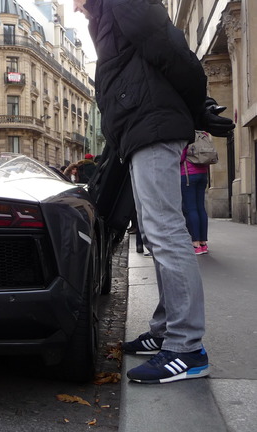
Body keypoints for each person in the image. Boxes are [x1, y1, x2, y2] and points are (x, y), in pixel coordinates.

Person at [73, 0, 235, 384]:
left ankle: (186, 348)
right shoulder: (107, 13)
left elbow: (175, 55)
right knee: (156, 230)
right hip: (140, 128)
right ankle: (166, 331)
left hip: (153, 126)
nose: (72, 7)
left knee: (165, 232)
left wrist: (199, 108)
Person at [181, 138, 210, 255]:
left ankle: (195, 243)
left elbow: (180, 157)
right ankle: (203, 243)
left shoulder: (185, 133)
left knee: (190, 208)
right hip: (202, 174)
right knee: (201, 208)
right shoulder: (203, 134)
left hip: (187, 174)